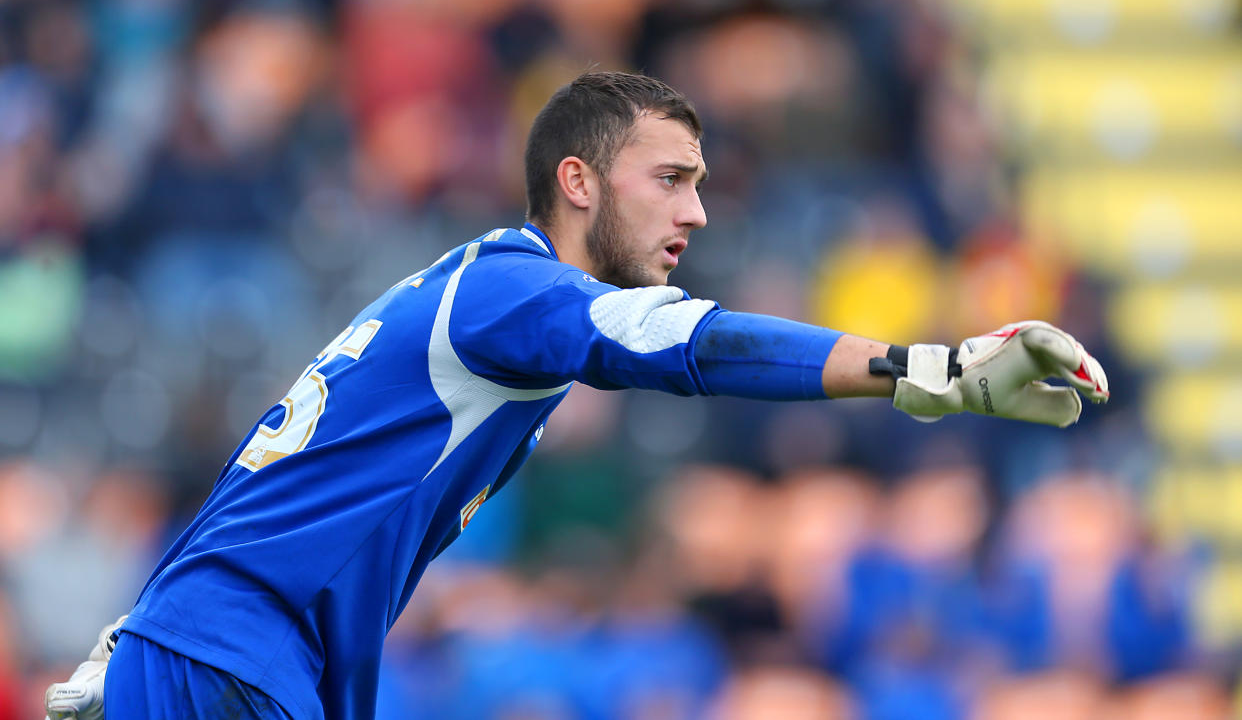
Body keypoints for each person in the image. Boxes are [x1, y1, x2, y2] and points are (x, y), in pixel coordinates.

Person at [45, 71, 1109, 720]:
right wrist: (931, 373)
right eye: (669, 178)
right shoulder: (517, 295)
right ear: (578, 182)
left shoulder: (470, 295)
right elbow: (702, 343)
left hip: (211, 652)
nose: (695, 210)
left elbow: (285, 485)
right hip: (232, 660)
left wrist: (144, 635)